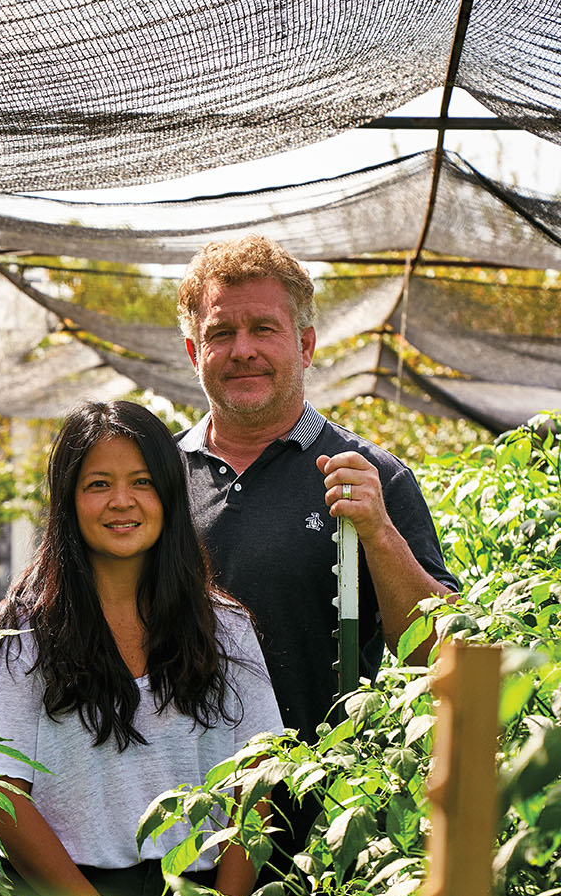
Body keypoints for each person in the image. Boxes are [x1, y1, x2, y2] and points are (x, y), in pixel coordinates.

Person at [0, 399, 283, 896]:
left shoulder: (227, 629)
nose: (122, 501)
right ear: (68, 500)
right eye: (98, 484)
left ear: (169, 493)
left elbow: (256, 787)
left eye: (142, 481)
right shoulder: (24, 633)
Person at [176, 235, 460, 746]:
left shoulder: (371, 476)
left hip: (325, 799)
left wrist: (377, 531)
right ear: (196, 352)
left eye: (264, 329)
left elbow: (437, 654)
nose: (243, 350)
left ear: (305, 346)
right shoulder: (157, 478)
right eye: (221, 333)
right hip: (180, 803)